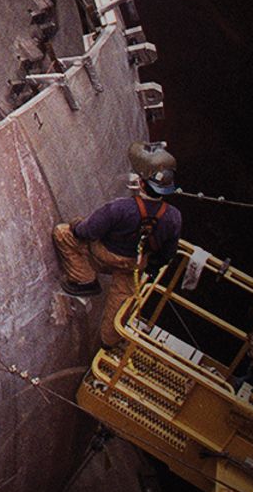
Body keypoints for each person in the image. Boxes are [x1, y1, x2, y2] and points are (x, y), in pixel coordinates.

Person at [52, 142, 182, 347]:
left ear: (140, 183)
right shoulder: (174, 217)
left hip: (103, 256)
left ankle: (85, 280)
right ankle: (109, 341)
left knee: (63, 233)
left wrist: (76, 225)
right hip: (133, 267)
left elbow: (87, 231)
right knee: (119, 311)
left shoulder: (119, 208)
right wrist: (151, 267)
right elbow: (168, 253)